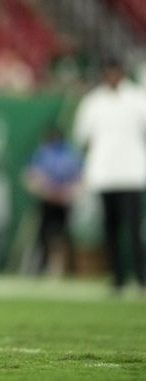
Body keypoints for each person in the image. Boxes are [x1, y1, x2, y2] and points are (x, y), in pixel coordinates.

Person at [73, 57, 146, 293]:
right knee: (110, 229)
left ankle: (140, 275)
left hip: (132, 173)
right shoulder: (93, 102)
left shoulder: (137, 98)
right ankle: (117, 277)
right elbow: (82, 135)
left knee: (134, 229)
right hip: (104, 174)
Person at [23, 126, 83, 275]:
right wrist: (47, 191)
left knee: (64, 236)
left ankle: (68, 269)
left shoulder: (68, 154)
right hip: (48, 200)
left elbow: (80, 178)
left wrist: (65, 193)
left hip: (63, 201)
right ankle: (41, 267)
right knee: (43, 236)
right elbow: (31, 176)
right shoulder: (43, 153)